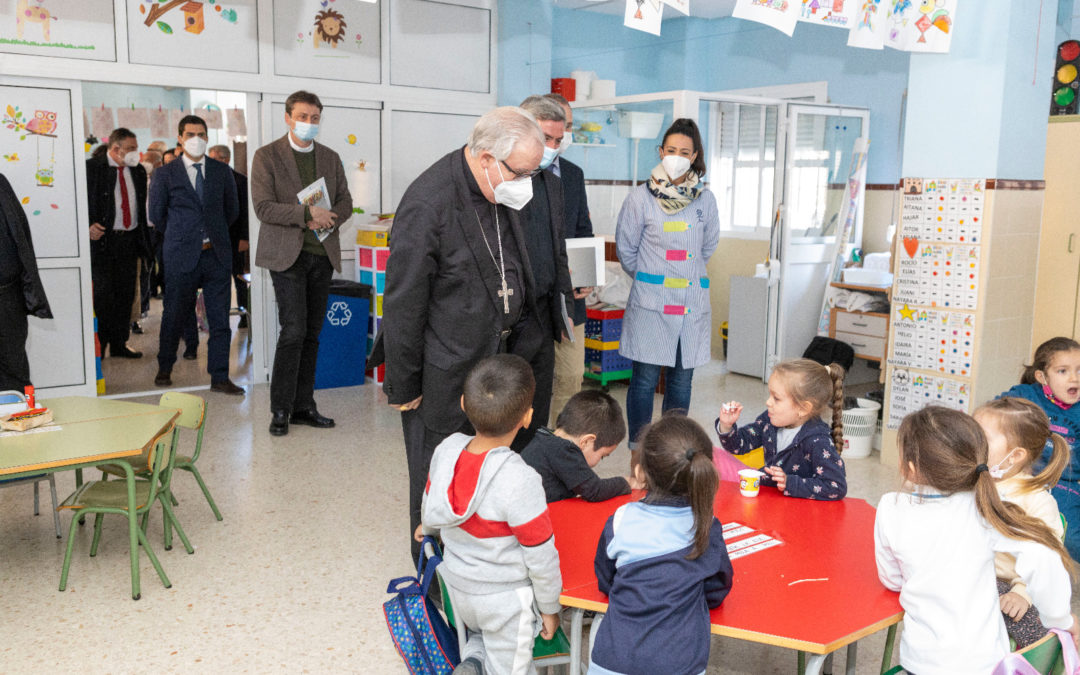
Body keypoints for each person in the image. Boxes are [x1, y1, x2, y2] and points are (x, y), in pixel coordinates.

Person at [370, 106, 544, 561]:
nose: (526, 183)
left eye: (533, 172)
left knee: (492, 480)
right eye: (521, 172)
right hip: (443, 376)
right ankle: (434, 589)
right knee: (438, 485)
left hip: (499, 364)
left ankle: (482, 572)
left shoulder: (499, 188)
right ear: (486, 158)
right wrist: (404, 384)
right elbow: (404, 302)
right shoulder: (429, 201)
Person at [874, 406, 1078, 675]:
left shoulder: (890, 506)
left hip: (921, 663)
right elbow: (1044, 558)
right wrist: (1061, 619)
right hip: (986, 663)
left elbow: (891, 579)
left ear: (909, 467)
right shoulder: (986, 505)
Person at [417, 354, 561, 675]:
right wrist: (550, 608)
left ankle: (475, 660)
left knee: (483, 635)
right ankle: (488, 663)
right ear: (527, 417)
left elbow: (432, 503)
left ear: (464, 404)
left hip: (457, 592)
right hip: (504, 603)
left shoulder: (447, 450)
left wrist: (425, 527)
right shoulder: (520, 479)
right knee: (511, 667)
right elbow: (541, 556)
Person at [590, 414, 732, 675]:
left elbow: (606, 578)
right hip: (678, 663)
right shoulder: (706, 526)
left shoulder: (621, 519)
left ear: (640, 473)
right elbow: (717, 589)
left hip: (612, 659)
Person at [616, 118, 719, 456]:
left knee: (681, 379)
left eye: (684, 152)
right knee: (644, 379)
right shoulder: (639, 199)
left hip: (690, 301)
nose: (677, 156)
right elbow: (627, 251)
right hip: (652, 302)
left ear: (695, 156)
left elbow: (708, 247)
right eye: (671, 150)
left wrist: (682, 276)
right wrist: (653, 279)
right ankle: (639, 449)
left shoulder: (705, 199)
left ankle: (672, 451)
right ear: (661, 152)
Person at [252, 90, 353, 435]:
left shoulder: (330, 157)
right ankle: (280, 409)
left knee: (312, 334)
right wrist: (307, 213)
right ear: (287, 117)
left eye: (314, 118)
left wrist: (329, 217)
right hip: (286, 256)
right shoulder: (267, 156)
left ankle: (303, 406)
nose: (308, 123)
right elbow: (263, 207)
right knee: (293, 331)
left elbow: (346, 202)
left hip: (321, 255)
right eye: (302, 117)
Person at [149, 114, 242, 394]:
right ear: (180, 138)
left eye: (202, 134)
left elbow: (232, 211)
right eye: (190, 134)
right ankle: (165, 367)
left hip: (215, 255)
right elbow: (157, 215)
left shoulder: (221, 170)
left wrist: (211, 234)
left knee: (219, 320)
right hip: (181, 255)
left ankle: (220, 377)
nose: (197, 139)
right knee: (174, 315)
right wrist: (184, 234)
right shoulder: (165, 173)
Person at [974, 397, 1070, 648]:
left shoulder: (1037, 501)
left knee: (1040, 637)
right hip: (973, 575)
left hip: (1013, 586)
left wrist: (1022, 592)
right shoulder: (973, 481)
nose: (970, 442)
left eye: (981, 437)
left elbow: (1050, 560)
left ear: (1015, 455)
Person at [513, 95, 574, 442]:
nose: (551, 147)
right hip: (510, 316)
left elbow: (558, 251)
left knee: (538, 405)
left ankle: (532, 469)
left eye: (557, 140)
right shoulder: (503, 181)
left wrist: (564, 308)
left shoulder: (552, 184)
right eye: (545, 138)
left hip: (543, 315)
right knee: (510, 405)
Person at [715, 358, 847, 500]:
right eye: (770, 395)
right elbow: (739, 446)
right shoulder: (769, 420)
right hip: (769, 499)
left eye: (776, 398)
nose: (768, 402)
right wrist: (727, 426)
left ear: (803, 408)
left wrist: (789, 483)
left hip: (798, 511)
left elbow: (836, 486)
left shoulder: (818, 441)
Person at [999, 336, 1080, 561]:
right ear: (1042, 377)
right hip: (1022, 475)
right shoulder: (1026, 395)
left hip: (1062, 483)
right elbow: (994, 412)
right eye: (1063, 371)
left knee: (1071, 537)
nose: (1074, 378)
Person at [85, 127, 152, 359]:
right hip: (103, 241)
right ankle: (100, 345)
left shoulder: (138, 172)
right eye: (131, 149)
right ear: (116, 149)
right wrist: (88, 225)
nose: (136, 153)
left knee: (126, 295)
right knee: (104, 297)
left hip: (130, 240)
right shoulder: (92, 169)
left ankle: (119, 343)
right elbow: (78, 202)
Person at [521, 389, 640, 503]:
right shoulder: (564, 452)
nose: (599, 461)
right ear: (586, 441)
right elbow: (595, 490)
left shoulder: (544, 437)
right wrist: (628, 482)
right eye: (603, 456)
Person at [0, 172, 51, 391]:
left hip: (7, 294)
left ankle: (18, 416)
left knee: (14, 369)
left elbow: (19, 233)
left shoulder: (0, 183)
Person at [207, 144, 250, 330]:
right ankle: (217, 316)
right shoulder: (205, 180)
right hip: (212, 240)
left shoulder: (240, 181)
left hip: (234, 238)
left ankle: (244, 315)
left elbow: (245, 213)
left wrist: (244, 237)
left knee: (238, 277)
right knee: (216, 279)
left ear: (225, 160)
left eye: (215, 159)